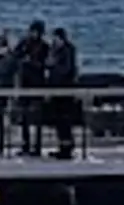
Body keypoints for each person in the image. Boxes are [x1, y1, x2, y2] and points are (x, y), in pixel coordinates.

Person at [10, 19, 50, 154]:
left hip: (37, 83)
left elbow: (44, 64)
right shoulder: (24, 43)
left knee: (37, 117)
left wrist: (32, 62)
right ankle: (25, 144)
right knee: (24, 116)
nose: (33, 34)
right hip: (24, 82)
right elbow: (15, 56)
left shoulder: (44, 46)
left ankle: (37, 146)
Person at [45, 25, 82, 159]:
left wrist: (53, 65)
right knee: (59, 120)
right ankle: (62, 146)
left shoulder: (68, 50)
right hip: (56, 89)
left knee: (65, 119)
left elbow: (66, 69)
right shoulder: (54, 50)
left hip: (65, 90)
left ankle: (67, 147)